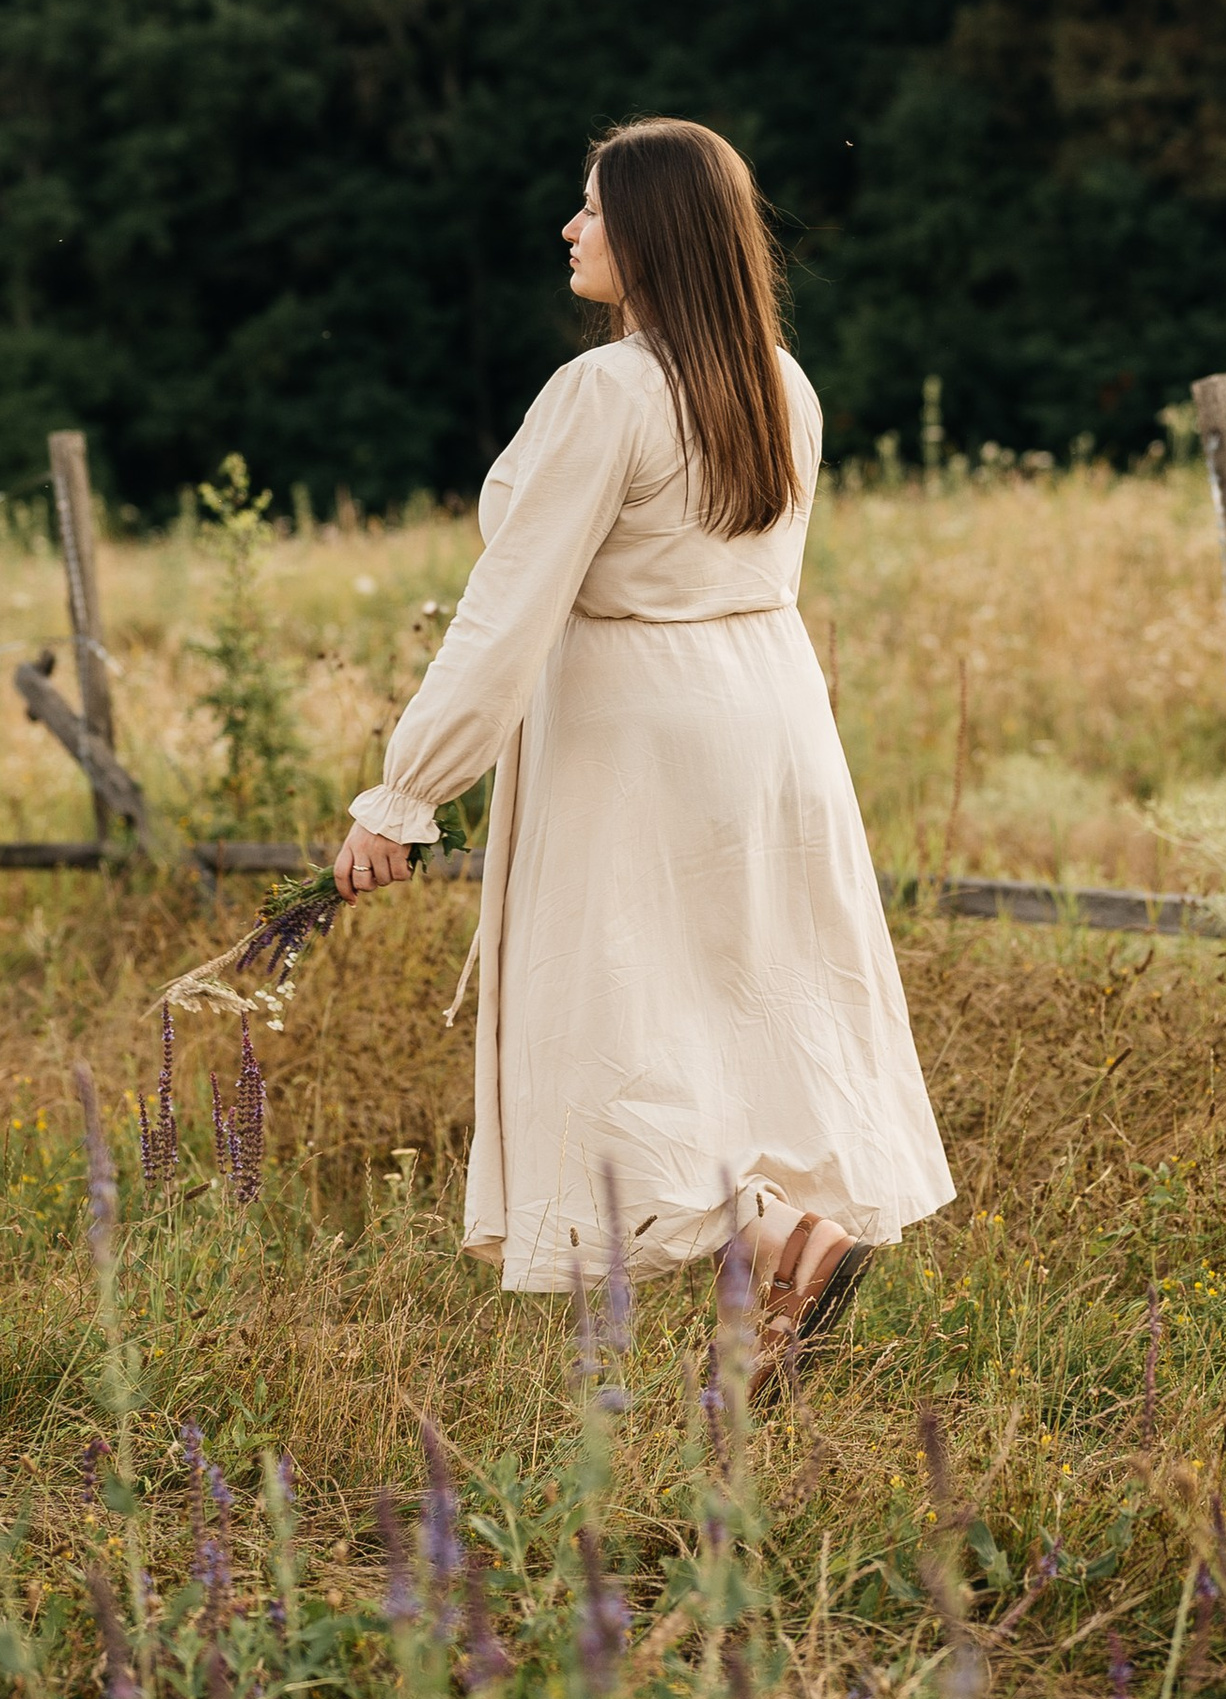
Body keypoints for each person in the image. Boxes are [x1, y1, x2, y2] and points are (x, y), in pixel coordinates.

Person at [334, 115, 954, 1396]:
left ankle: (777, 1239)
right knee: (744, 1004)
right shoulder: (782, 380)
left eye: (594, 208)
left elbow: (507, 611)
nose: (571, 227)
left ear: (654, 232)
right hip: (770, 716)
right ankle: (772, 1289)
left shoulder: (605, 391)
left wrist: (406, 791)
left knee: (616, 1011)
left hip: (634, 731)